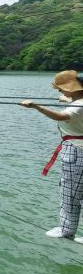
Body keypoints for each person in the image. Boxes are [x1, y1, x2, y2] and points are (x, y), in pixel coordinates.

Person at [21, 70, 83, 241]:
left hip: (77, 151)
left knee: (70, 192)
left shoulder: (77, 107)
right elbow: (72, 104)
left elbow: (61, 116)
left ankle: (66, 229)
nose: (60, 92)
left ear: (71, 89)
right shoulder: (78, 102)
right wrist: (65, 99)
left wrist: (36, 107)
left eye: (61, 89)